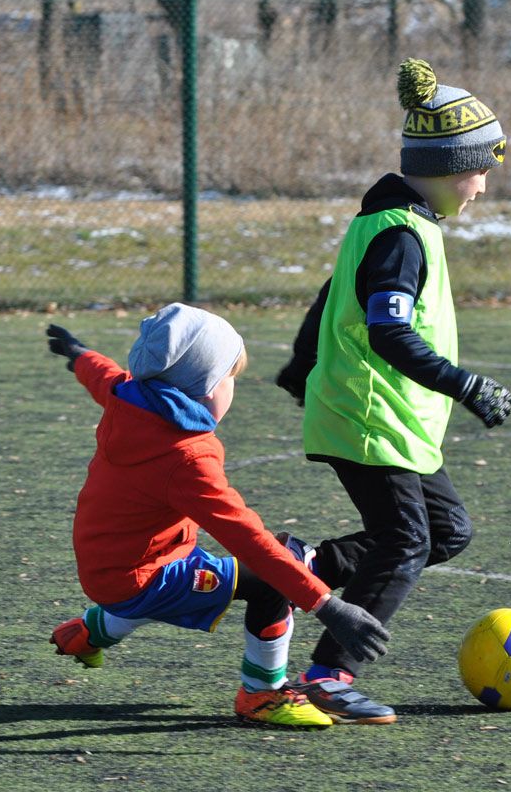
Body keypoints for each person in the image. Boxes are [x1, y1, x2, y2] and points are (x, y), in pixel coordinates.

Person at [273, 58, 511, 724]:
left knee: (446, 532)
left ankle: (304, 564)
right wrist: (465, 385)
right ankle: (328, 674)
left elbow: (329, 298)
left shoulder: (391, 223)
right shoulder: (400, 235)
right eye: (480, 169)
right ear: (447, 166)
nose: (483, 186)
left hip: (392, 423)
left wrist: (301, 363)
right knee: (405, 541)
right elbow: (388, 335)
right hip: (370, 417)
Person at [44, 303, 390, 729]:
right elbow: (248, 539)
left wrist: (79, 354)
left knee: (171, 584)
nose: (233, 388)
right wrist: (326, 605)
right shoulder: (187, 458)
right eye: (231, 377)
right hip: (145, 574)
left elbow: (105, 377)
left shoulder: (130, 398)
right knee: (272, 577)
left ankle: (86, 634)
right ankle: (262, 695)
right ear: (206, 385)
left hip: (119, 561)